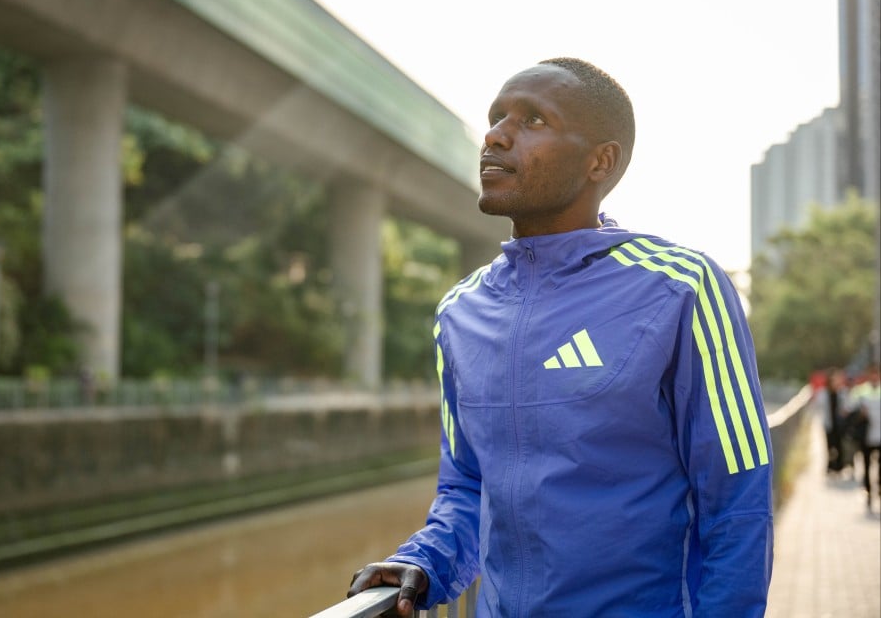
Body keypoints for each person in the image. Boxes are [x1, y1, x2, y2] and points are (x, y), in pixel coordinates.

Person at [347, 58, 774, 616]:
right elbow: (468, 488)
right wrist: (425, 561)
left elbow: (737, 504)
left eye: (533, 121)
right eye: (497, 116)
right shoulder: (460, 310)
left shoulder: (681, 288)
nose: (496, 135)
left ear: (601, 160)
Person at [849, 363, 880, 511]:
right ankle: (869, 492)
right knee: (867, 465)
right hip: (867, 436)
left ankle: (878, 487)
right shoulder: (860, 392)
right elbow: (849, 410)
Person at [816, 367, 850, 476]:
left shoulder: (842, 392)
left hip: (840, 424)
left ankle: (839, 467)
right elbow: (818, 406)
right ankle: (830, 466)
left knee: (840, 445)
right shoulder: (823, 393)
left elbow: (848, 406)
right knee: (829, 446)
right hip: (829, 424)